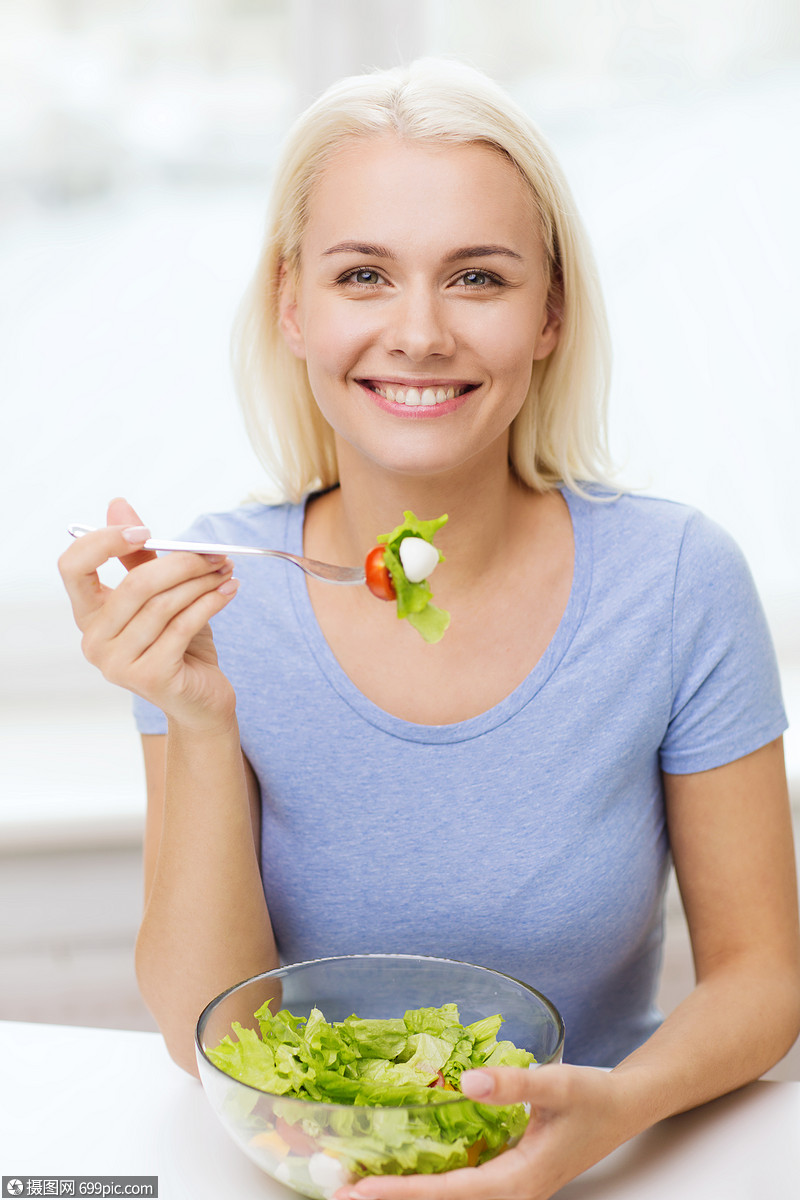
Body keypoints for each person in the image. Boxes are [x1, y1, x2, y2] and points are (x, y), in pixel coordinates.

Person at [58, 59, 800, 1200]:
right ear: (290, 305)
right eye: (363, 275)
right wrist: (200, 719)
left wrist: (614, 1112)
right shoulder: (214, 591)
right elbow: (212, 1029)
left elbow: (760, 978)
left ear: (548, 312)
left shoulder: (673, 580)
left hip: (610, 1170)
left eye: (475, 277)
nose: (418, 332)